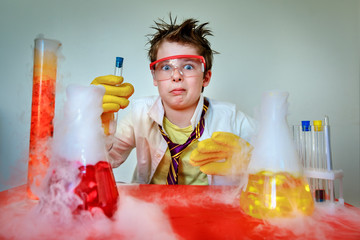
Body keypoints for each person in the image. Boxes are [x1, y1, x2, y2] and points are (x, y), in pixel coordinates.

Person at [92, 16, 257, 185]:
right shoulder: (140, 113)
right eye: (166, 67)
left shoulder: (230, 118)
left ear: (206, 78)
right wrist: (91, 121)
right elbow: (102, 161)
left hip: (208, 208)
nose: (176, 76)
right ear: (154, 77)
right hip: (150, 208)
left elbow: (279, 156)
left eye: (188, 66)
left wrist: (253, 161)